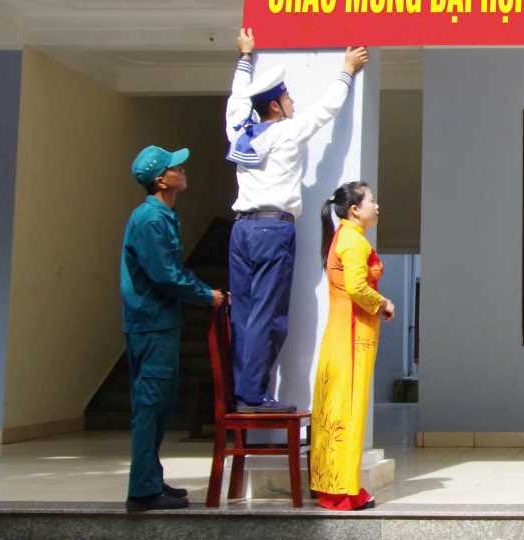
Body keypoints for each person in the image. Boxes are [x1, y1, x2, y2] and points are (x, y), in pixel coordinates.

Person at [225, 27, 370, 413]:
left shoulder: (240, 132)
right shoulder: (286, 134)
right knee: (267, 314)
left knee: (243, 313)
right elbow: (326, 111)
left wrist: (245, 57)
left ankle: (242, 391)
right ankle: (253, 397)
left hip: (241, 229)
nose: (292, 102)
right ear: (275, 106)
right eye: (287, 97)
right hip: (273, 230)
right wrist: (347, 70)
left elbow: (236, 101)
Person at [120, 145, 223, 512]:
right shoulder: (150, 220)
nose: (182, 169)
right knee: (150, 404)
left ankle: (149, 477)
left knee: (158, 405)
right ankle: (144, 491)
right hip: (152, 324)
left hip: (157, 322)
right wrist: (205, 295)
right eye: (174, 167)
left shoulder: (161, 216)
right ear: (161, 179)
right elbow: (165, 274)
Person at [309, 181, 393, 512]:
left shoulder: (343, 237)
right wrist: (383, 302)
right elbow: (358, 287)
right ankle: (343, 489)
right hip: (352, 337)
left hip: (341, 334)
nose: (377, 206)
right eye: (372, 200)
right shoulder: (354, 242)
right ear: (355, 209)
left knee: (336, 409)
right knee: (348, 410)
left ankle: (332, 484)